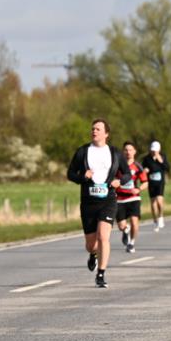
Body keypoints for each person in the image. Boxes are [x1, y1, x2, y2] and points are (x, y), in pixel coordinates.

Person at [67, 119, 131, 288]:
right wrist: (83, 177)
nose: (94, 131)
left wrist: (119, 181)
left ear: (106, 134)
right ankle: (93, 254)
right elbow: (70, 173)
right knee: (91, 244)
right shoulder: (82, 151)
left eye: (98, 129)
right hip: (88, 202)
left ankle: (101, 274)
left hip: (108, 200)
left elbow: (128, 175)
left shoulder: (115, 153)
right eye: (93, 128)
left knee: (104, 237)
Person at [116, 142, 148, 253]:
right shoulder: (117, 165)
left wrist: (138, 189)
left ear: (134, 152)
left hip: (133, 198)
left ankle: (131, 243)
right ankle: (125, 230)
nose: (128, 152)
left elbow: (145, 182)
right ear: (123, 152)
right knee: (121, 226)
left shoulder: (138, 166)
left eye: (130, 150)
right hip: (119, 199)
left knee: (134, 221)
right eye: (126, 150)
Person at [141, 141, 169, 231]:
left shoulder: (163, 156)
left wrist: (161, 161)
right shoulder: (146, 158)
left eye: (156, 151)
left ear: (159, 150)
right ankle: (155, 220)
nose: (154, 152)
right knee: (153, 202)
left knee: (159, 201)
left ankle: (161, 217)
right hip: (151, 182)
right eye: (153, 150)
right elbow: (142, 169)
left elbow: (167, 168)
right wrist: (145, 170)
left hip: (160, 182)